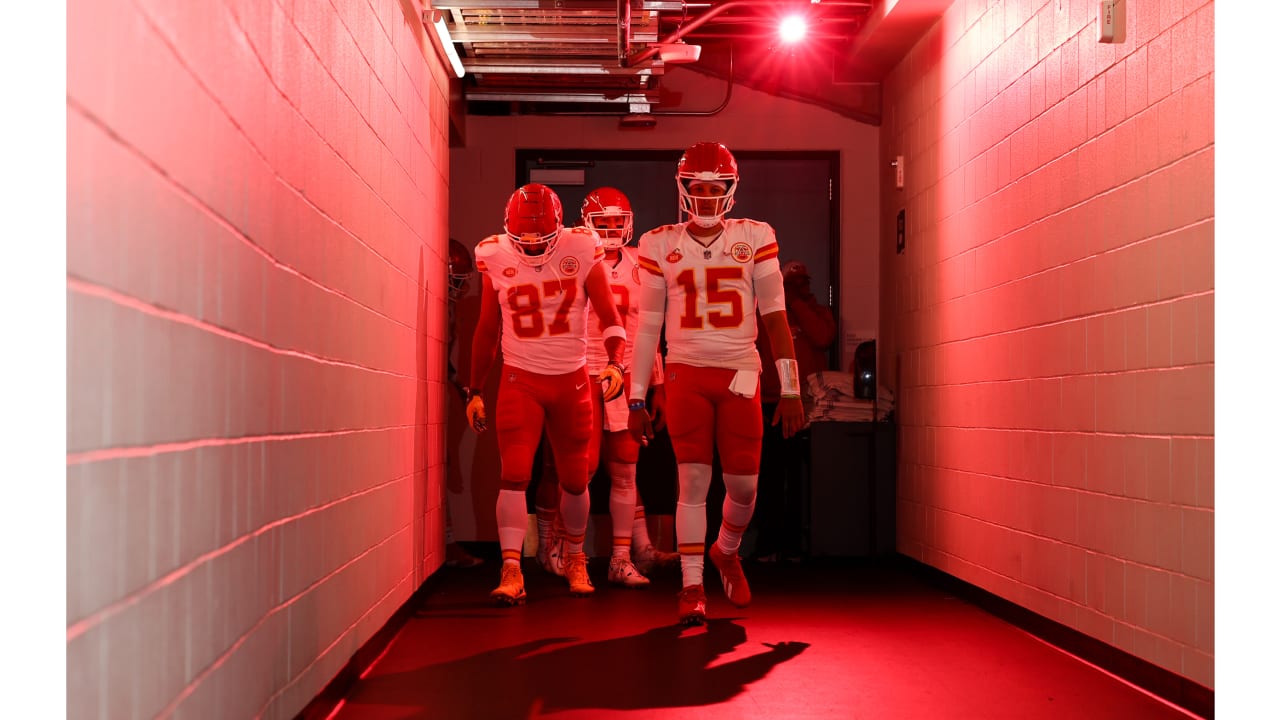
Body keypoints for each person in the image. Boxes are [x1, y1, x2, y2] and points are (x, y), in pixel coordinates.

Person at [627, 142, 807, 626]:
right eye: (698, 188)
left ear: (730, 190)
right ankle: (691, 587)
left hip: (741, 373)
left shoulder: (755, 235)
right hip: (686, 371)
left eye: (715, 188)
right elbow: (647, 329)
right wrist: (637, 395)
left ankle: (726, 551)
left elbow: (775, 319)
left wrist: (790, 388)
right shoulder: (659, 242)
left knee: (745, 487)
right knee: (693, 482)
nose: (706, 198)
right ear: (683, 189)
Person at [465, 183, 628, 606]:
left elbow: (610, 316)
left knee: (576, 479)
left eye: (541, 242)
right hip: (521, 379)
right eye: (524, 242)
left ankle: (576, 558)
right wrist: (475, 389)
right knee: (514, 474)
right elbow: (487, 330)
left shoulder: (582, 248)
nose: (533, 251)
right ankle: (512, 568)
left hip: (571, 379)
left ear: (559, 231)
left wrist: (615, 361)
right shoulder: (495, 254)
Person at [533, 187, 680, 587]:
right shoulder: (573, 257)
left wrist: (658, 385)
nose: (613, 228)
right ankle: (560, 546)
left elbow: (647, 330)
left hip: (626, 374)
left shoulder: (640, 264)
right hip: (581, 371)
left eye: (618, 221)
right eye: (604, 222)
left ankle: (620, 558)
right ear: (588, 224)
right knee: (579, 468)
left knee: (625, 467)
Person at [752, 260, 836, 563]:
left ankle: (795, 545)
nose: (800, 288)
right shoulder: (767, 314)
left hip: (810, 405)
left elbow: (823, 338)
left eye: (804, 282)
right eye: (792, 284)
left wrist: (798, 305)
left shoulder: (818, 313)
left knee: (800, 480)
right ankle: (768, 544)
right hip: (772, 404)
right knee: (770, 478)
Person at [444, 239, 485, 569]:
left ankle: (447, 542)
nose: (459, 288)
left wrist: (461, 387)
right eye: (455, 280)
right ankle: (446, 543)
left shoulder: (449, 308)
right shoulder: (440, 308)